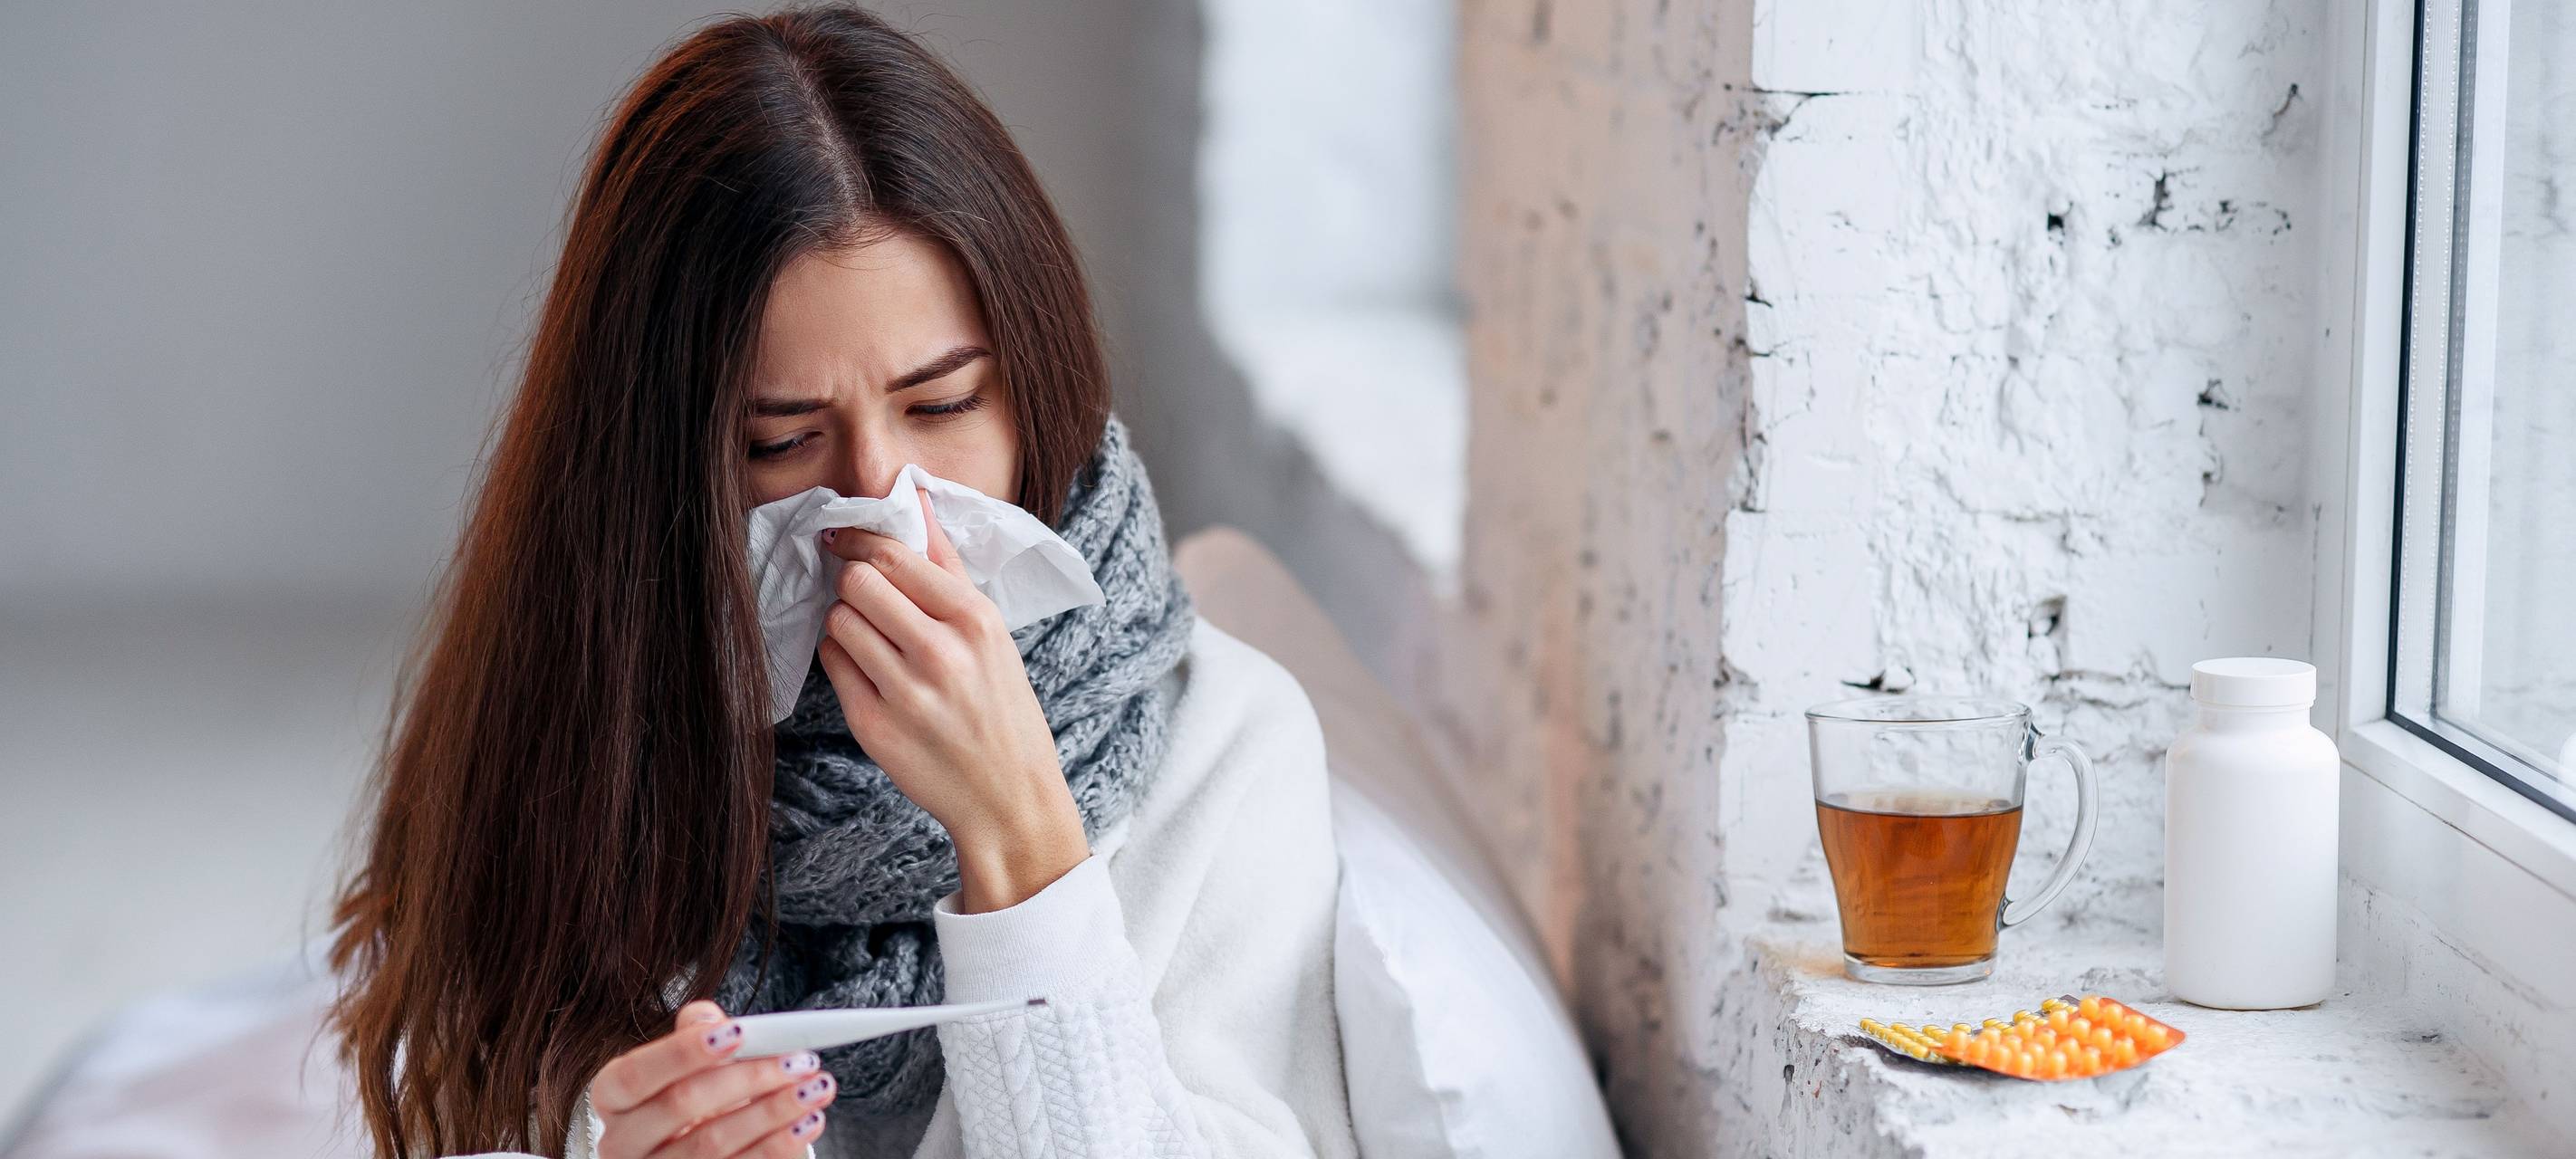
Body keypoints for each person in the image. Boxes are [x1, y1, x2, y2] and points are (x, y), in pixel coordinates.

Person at [322, 7, 1355, 1157]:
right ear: (654, 478)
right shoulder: (567, 753)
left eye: (944, 404)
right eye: (781, 441)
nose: (883, 500)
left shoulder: (1226, 753)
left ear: (1035, 384)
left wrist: (1022, 842)